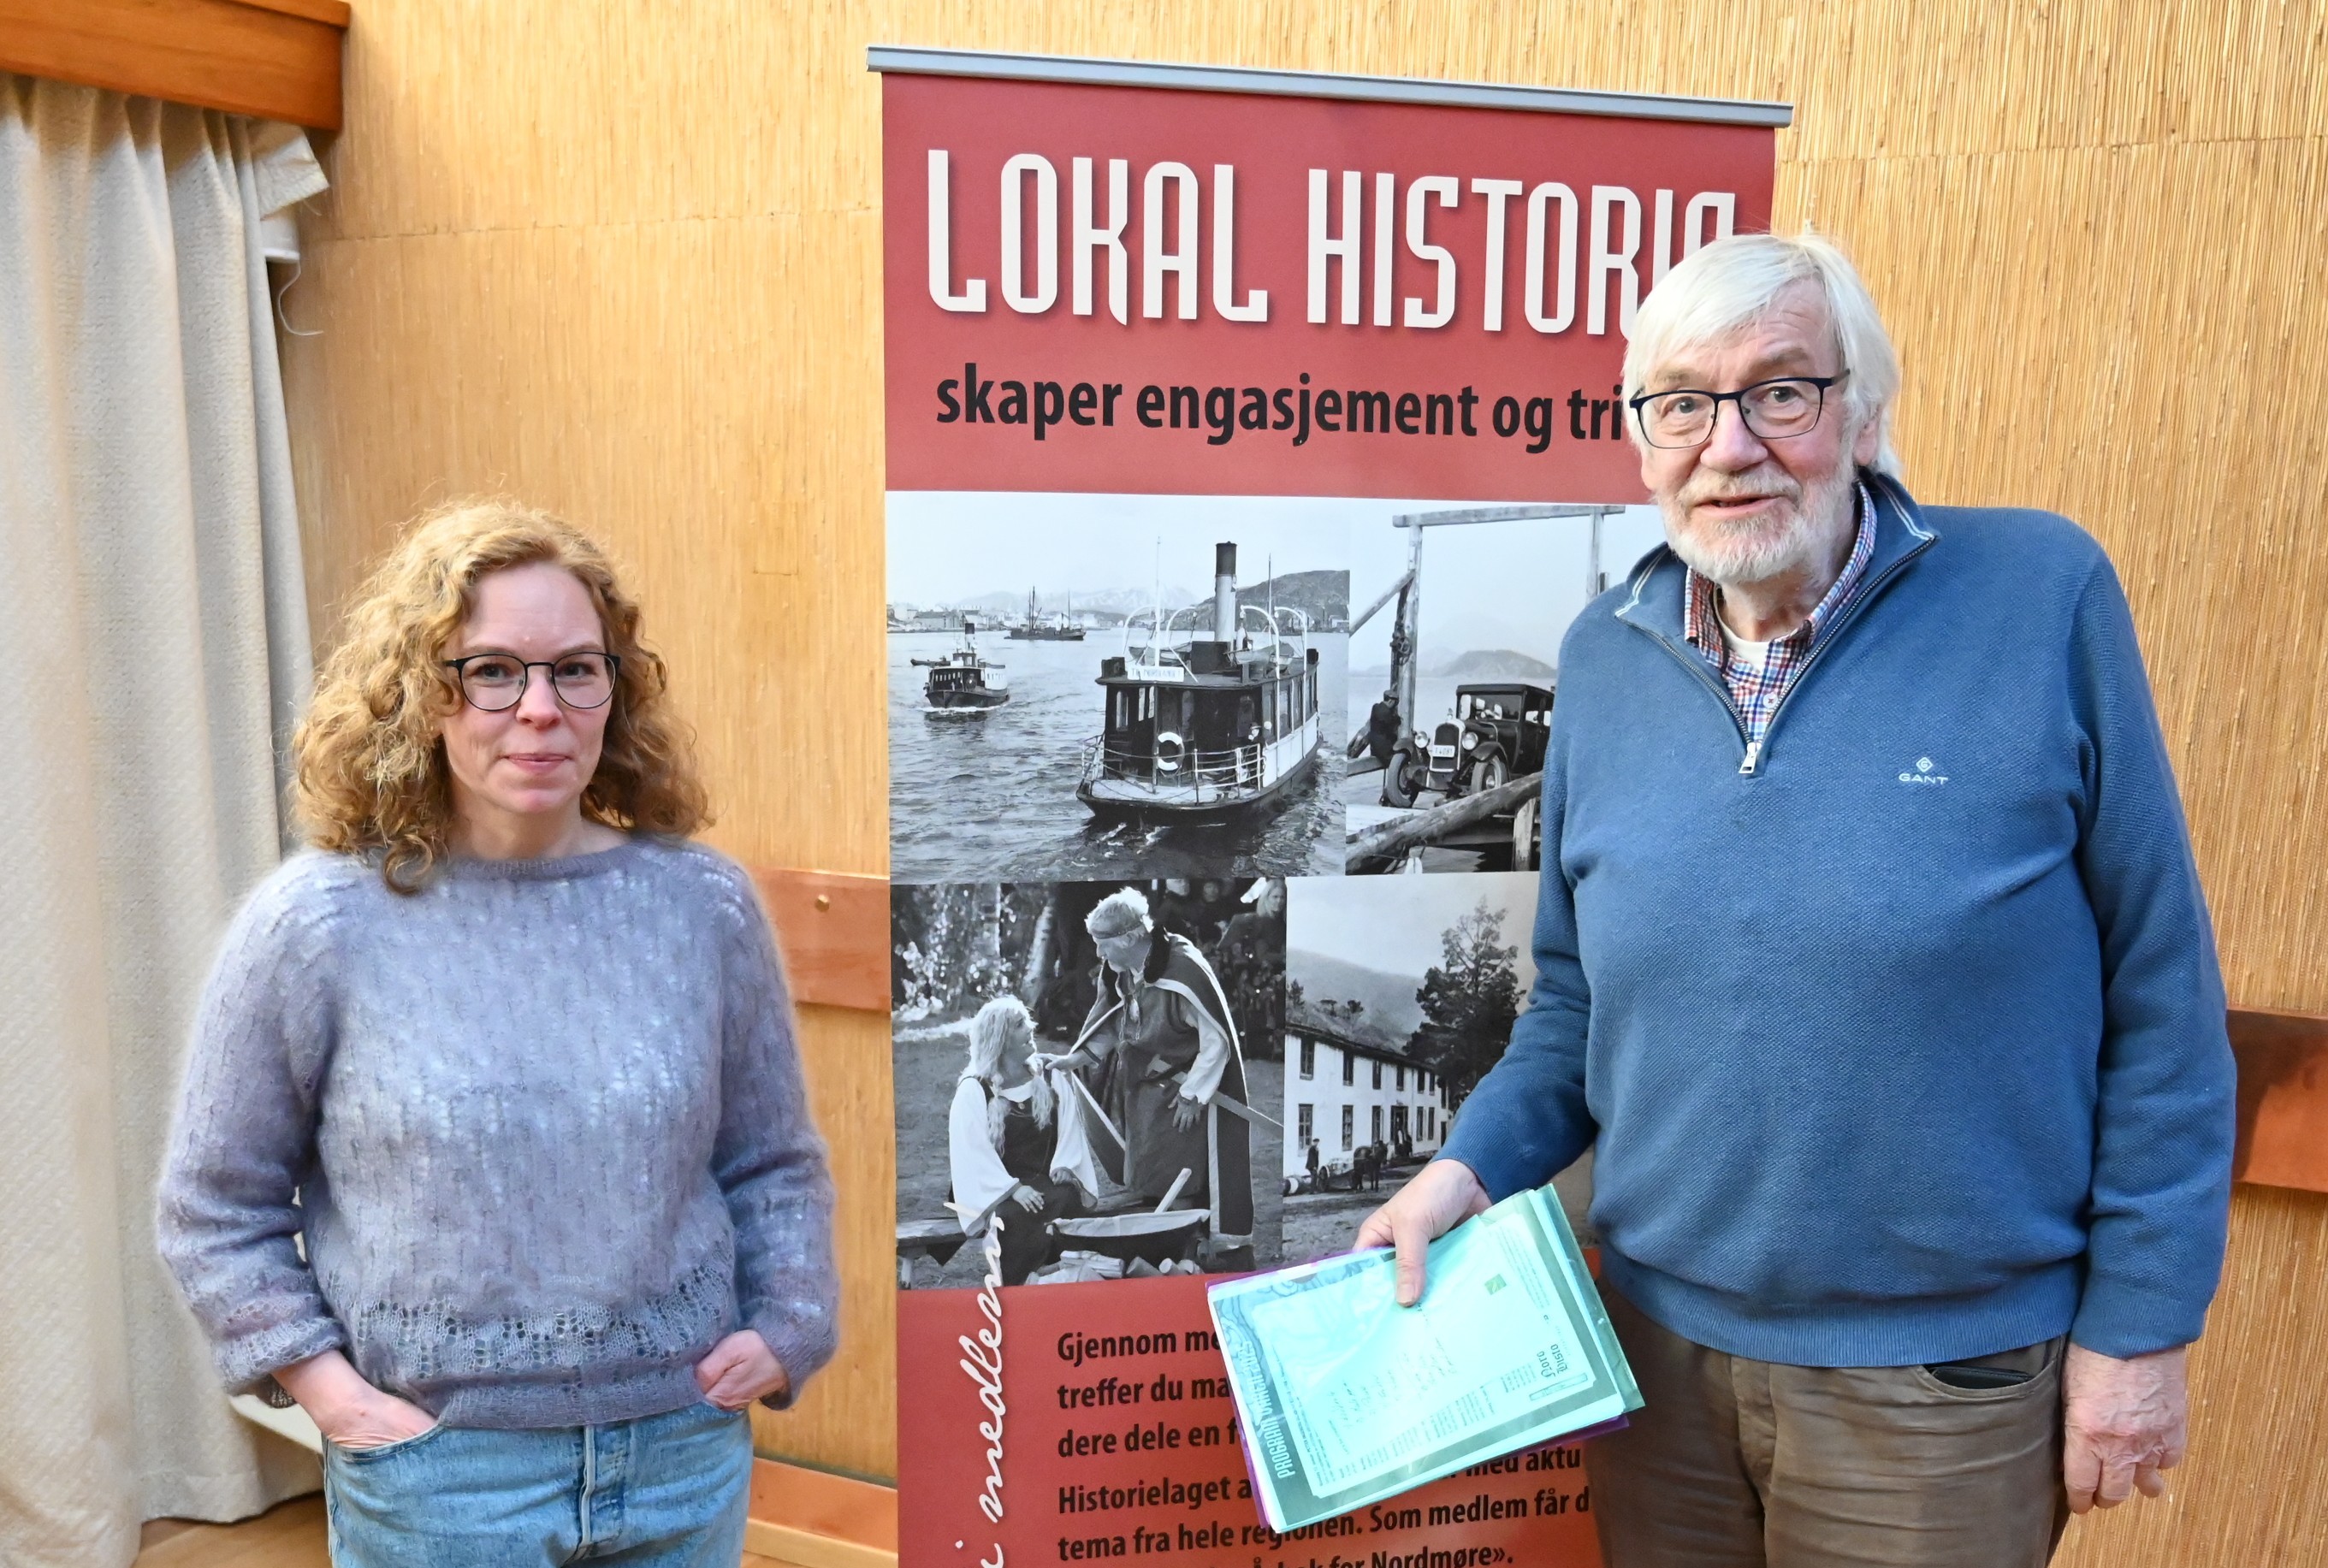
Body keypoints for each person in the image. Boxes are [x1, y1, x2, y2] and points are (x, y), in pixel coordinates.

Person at [1359, 232, 2234, 1568]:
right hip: (1651, 1367)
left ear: (1862, 415)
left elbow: (2161, 995)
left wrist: (2141, 1329)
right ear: (1642, 442)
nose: (1729, 447)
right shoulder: (1605, 658)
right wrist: (1461, 1172)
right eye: (1680, 404)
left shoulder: (2041, 596)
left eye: (1780, 391)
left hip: (1939, 1388)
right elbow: (1575, 1003)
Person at [157, 500, 838, 1566]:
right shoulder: (318, 925)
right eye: (492, 672)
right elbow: (215, 1205)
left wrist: (789, 1323)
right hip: (440, 1475)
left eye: (576, 670)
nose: (541, 709)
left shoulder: (701, 908)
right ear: (421, 694)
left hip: (682, 1451)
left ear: (617, 687)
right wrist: (332, 1395)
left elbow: (771, 1162)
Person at [1041, 889, 1255, 1264]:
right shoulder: (1122, 971)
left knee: (1181, 1180)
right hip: (1143, 1096)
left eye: (1103, 943)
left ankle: (1185, 1253)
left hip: (1181, 1096)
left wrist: (1192, 1095)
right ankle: (1162, 1252)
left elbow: (1216, 1041)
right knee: (1149, 1178)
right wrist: (1075, 1059)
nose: (1098, 953)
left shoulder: (1182, 970)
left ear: (1128, 938)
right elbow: (1114, 1021)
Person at [945, 996, 1101, 1285]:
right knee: (1014, 1215)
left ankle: (1073, 1281)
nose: (1031, 1028)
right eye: (1020, 1024)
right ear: (1001, 1039)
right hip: (999, 1191)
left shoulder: (1049, 1077)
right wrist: (1013, 1189)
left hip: (1048, 1179)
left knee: (1067, 1200)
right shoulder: (974, 1090)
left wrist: (1064, 1167)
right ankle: (1023, 1287)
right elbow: (972, 1152)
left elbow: (1070, 1128)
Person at [1365, 687, 1402, 764]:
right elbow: (1393, 728)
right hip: (1385, 751)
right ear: (1391, 701)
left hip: (1374, 748)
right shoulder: (1388, 714)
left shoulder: (1375, 707)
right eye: (1395, 703)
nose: (1395, 706)